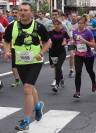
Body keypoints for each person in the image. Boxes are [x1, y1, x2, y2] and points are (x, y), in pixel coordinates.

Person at [3, 2, 51, 131]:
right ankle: (38, 106)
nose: (22, 12)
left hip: (35, 61)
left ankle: (26, 121)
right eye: (21, 10)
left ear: (31, 12)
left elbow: (48, 42)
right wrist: (7, 51)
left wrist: (41, 53)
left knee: (27, 88)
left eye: (25, 10)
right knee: (30, 88)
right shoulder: (11, 26)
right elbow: (6, 40)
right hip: (20, 62)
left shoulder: (38, 26)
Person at [72, 15, 96, 98]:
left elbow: (93, 45)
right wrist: (74, 44)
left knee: (90, 71)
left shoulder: (88, 32)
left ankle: (93, 82)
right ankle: (77, 92)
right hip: (78, 55)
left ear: (85, 24)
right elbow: (74, 42)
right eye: (79, 23)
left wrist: (85, 41)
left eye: (81, 23)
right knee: (78, 72)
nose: (80, 25)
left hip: (88, 55)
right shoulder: (74, 31)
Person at [49, 18, 70, 93]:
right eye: (55, 24)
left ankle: (56, 85)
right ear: (53, 25)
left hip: (61, 52)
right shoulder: (50, 32)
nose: (56, 25)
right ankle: (61, 78)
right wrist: (49, 42)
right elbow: (46, 41)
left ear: (61, 25)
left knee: (58, 66)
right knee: (56, 67)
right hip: (53, 52)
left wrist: (65, 41)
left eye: (58, 24)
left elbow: (68, 39)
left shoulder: (63, 32)